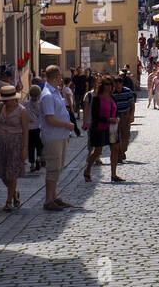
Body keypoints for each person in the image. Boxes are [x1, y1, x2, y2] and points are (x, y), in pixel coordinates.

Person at [0, 83, 30, 211]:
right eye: (3, 100)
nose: (4, 102)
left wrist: (25, 148)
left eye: (6, 100)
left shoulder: (22, 111)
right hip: (1, 142)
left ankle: (8, 201)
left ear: (13, 98)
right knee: (2, 172)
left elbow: (26, 130)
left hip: (16, 143)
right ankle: (14, 193)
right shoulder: (1, 107)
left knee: (12, 173)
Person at [38, 65, 76, 210]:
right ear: (56, 77)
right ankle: (48, 200)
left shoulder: (55, 92)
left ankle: (54, 196)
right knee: (53, 168)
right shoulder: (47, 95)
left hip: (60, 136)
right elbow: (50, 119)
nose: (61, 78)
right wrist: (67, 125)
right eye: (60, 75)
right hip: (53, 137)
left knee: (58, 167)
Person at [84, 76, 124, 184]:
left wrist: (117, 118)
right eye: (106, 84)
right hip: (99, 128)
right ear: (102, 85)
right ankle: (87, 169)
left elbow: (116, 110)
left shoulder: (112, 97)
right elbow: (95, 115)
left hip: (112, 128)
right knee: (98, 151)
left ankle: (113, 174)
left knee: (115, 149)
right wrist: (108, 119)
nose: (109, 86)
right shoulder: (97, 98)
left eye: (111, 84)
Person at [112, 73, 137, 162]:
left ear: (122, 84)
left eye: (119, 83)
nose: (118, 85)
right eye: (116, 84)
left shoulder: (128, 91)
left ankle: (122, 151)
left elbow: (132, 105)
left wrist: (132, 115)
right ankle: (119, 154)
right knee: (116, 136)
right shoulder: (112, 93)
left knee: (125, 136)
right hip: (115, 117)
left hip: (125, 116)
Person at [24, 84, 46, 173]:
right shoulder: (41, 104)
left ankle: (32, 165)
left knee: (30, 147)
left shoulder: (25, 104)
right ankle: (39, 157)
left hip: (29, 129)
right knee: (39, 146)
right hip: (39, 128)